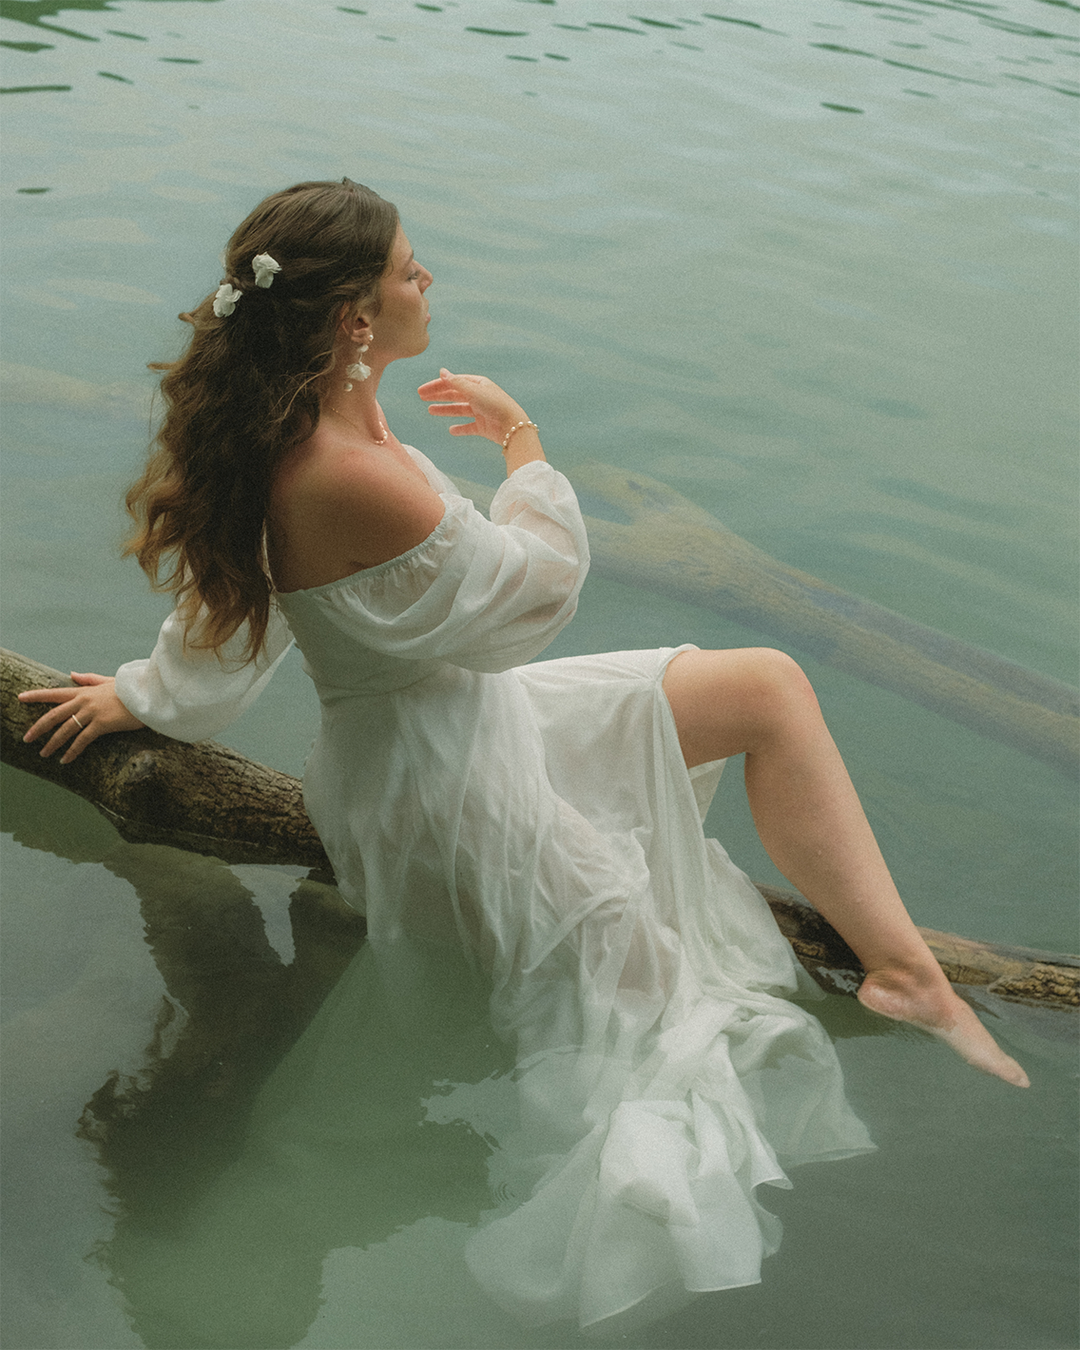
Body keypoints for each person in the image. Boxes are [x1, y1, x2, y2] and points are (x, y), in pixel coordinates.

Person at [19, 179, 1027, 1330]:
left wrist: (148, 697)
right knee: (650, 1021)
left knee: (765, 685)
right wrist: (523, 444)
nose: (427, 278)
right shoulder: (351, 472)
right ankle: (291, 1203)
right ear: (354, 316)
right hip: (444, 781)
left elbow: (220, 636)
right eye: (409, 269)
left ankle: (902, 969)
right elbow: (537, 597)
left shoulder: (308, 428)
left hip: (448, 720)